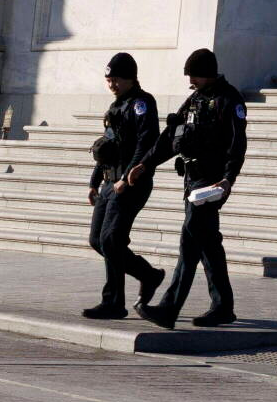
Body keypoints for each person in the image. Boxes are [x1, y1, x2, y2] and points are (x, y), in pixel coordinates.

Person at [139, 47, 247, 329]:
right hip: (192, 181)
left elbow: (237, 145)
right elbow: (170, 138)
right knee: (208, 244)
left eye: (194, 76)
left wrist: (228, 179)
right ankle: (223, 307)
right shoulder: (195, 99)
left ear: (208, 73)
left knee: (189, 242)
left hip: (210, 184)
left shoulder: (229, 99)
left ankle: (168, 309)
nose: (191, 82)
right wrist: (145, 164)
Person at [80, 51, 163, 320]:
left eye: (116, 79)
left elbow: (146, 143)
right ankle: (148, 275)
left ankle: (114, 302)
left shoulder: (142, 104)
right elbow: (107, 147)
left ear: (130, 78)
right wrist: (94, 182)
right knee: (98, 240)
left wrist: (126, 177)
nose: (112, 84)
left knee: (111, 240)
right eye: (108, 80)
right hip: (109, 183)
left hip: (130, 184)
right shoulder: (116, 107)